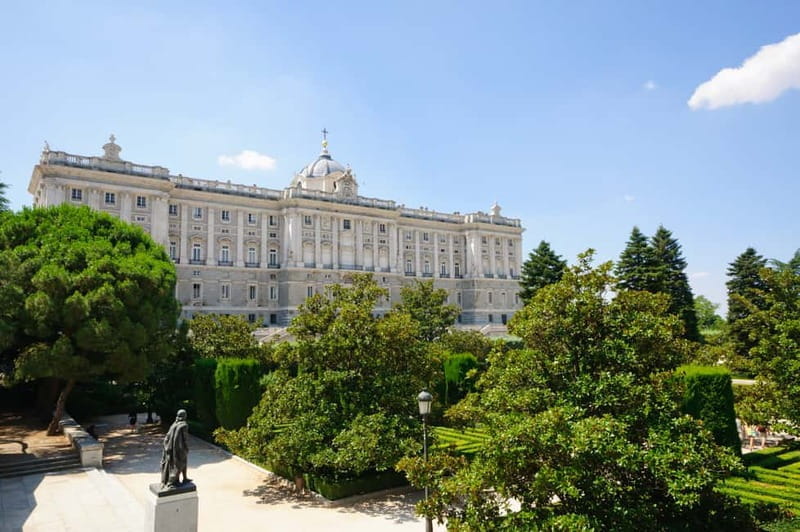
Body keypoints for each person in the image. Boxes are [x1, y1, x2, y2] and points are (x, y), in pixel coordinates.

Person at [160, 409, 190, 490]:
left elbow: (167, 436)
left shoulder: (174, 424)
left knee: (182, 463)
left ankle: (185, 478)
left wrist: (166, 447)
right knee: (178, 465)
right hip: (179, 449)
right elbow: (185, 439)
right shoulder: (184, 425)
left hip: (170, 448)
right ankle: (170, 483)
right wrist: (187, 448)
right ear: (184, 416)